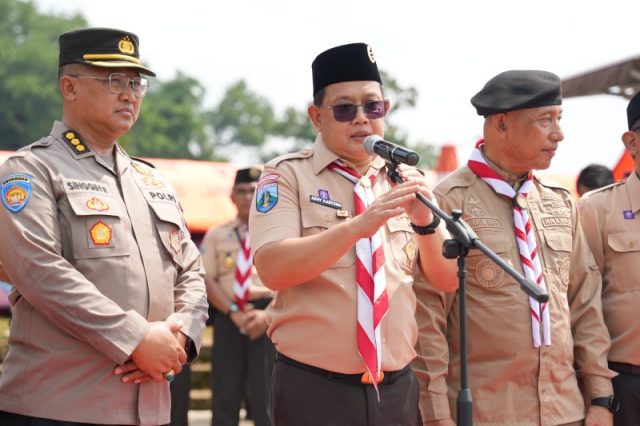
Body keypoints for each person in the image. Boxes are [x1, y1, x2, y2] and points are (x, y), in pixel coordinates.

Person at [0, 27, 208, 425]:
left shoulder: (153, 181)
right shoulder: (31, 170)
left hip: (150, 406)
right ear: (69, 87)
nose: (129, 93)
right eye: (114, 80)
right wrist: (137, 338)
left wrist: (179, 337)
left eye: (136, 83)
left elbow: (192, 272)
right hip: (58, 406)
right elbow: (39, 271)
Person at [248, 42, 458, 426]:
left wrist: (426, 222)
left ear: (386, 111)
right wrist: (360, 224)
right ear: (316, 117)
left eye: (372, 107)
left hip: (396, 388)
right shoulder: (287, 175)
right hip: (315, 389)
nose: (361, 119)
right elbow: (272, 268)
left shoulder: (404, 180)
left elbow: (446, 280)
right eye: (345, 109)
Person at [413, 70, 616, 425]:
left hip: (564, 410)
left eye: (559, 118)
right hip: (486, 413)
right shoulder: (445, 202)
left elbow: (584, 303)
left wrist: (600, 396)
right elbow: (428, 318)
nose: (559, 133)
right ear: (501, 124)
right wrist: (436, 416)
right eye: (545, 120)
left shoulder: (559, 203)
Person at [578, 91, 640, 425]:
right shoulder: (597, 210)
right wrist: (598, 395)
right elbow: (583, 307)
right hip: (626, 388)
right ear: (631, 142)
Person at [200, 166, 274, 426]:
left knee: (267, 396)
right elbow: (207, 278)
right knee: (225, 393)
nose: (246, 196)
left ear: (263, 195)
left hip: (269, 317)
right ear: (231, 196)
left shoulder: (276, 232)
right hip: (228, 315)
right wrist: (233, 312)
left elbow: (293, 278)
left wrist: (267, 315)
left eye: (253, 191)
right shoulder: (217, 234)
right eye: (241, 191)